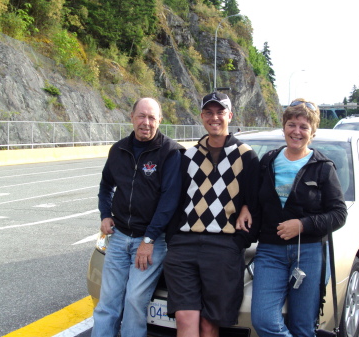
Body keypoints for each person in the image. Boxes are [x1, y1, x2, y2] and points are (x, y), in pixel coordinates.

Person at [163, 91, 260, 337]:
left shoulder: (246, 155)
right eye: (209, 112)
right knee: (185, 318)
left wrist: (239, 241)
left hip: (223, 246)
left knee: (209, 324)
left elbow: (256, 203)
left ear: (230, 115)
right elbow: (176, 199)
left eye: (220, 112)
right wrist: (172, 238)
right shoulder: (188, 156)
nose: (214, 117)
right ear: (202, 116)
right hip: (184, 244)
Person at [248, 98, 347, 337]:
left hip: (309, 253)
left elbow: (339, 214)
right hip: (270, 251)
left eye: (304, 126)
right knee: (263, 321)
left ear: (312, 132)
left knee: (303, 327)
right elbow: (253, 202)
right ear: (284, 127)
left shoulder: (323, 166)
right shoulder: (268, 162)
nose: (297, 131)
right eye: (292, 124)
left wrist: (303, 225)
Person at [91, 98, 184, 337]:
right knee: (107, 302)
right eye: (142, 116)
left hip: (152, 241)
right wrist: (105, 214)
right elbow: (105, 186)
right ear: (131, 117)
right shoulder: (118, 149)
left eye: (152, 118)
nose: (146, 122)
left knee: (134, 300)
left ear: (160, 121)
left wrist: (149, 240)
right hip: (120, 236)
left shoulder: (170, 152)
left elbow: (169, 201)